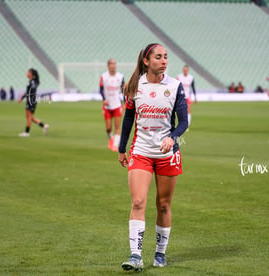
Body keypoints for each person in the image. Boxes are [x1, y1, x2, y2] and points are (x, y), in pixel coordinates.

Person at [118, 43, 188, 271]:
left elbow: (184, 121)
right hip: (141, 152)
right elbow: (128, 118)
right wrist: (122, 148)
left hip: (168, 154)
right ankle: (135, 255)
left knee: (164, 205)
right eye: (159, 57)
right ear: (147, 61)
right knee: (138, 201)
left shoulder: (175, 86)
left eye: (166, 57)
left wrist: (174, 136)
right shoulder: (135, 85)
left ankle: (160, 253)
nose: (164, 60)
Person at [99, 58, 124, 152]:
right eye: (111, 64)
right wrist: (104, 99)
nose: (113, 65)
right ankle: (111, 138)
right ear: (108, 66)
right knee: (108, 128)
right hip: (107, 105)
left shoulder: (120, 77)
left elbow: (123, 91)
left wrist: (124, 104)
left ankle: (115, 145)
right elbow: (101, 89)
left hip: (117, 104)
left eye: (114, 63)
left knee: (117, 126)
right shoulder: (104, 76)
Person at [18, 68, 49, 137]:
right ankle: (44, 126)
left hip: (31, 101)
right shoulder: (32, 81)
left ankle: (27, 132)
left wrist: (23, 97)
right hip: (32, 100)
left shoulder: (32, 82)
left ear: (31, 74)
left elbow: (30, 91)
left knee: (29, 117)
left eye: (28, 72)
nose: (26, 73)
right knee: (30, 117)